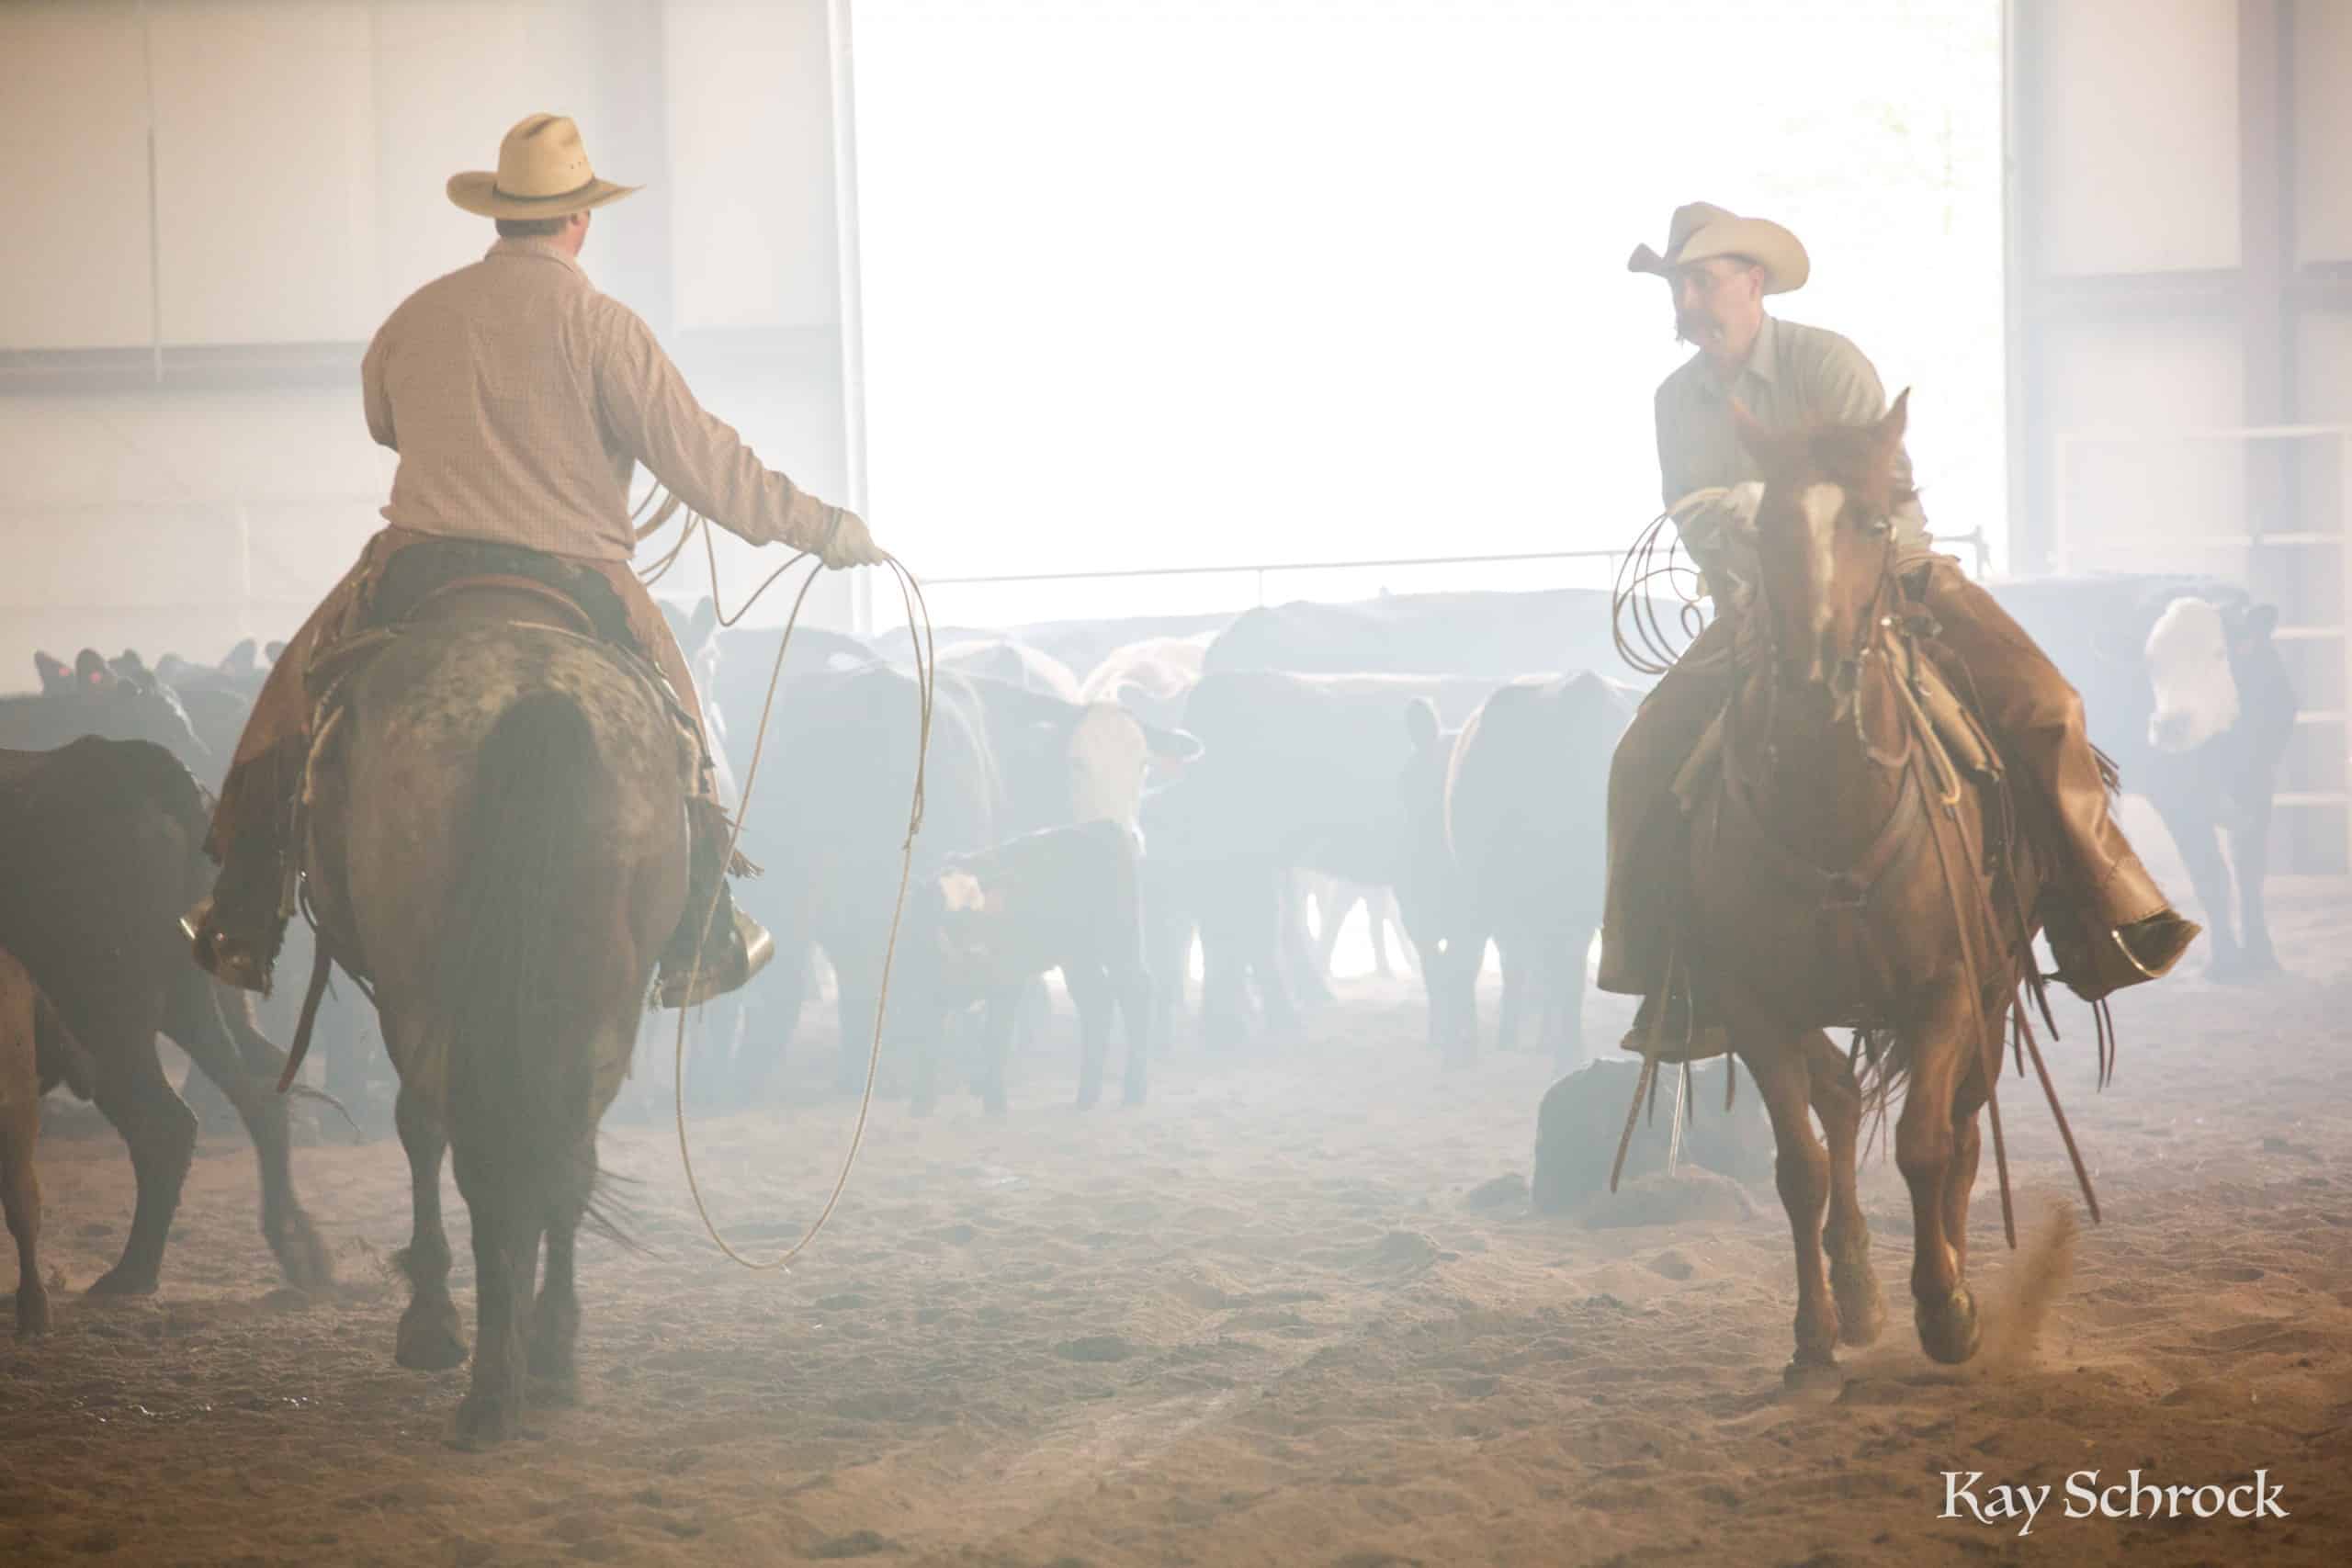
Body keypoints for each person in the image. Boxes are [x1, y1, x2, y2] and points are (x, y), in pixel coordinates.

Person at [185, 112, 885, 1008]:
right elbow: (705, 464)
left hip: (418, 562)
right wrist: (821, 529)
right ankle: (703, 927)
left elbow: (383, 422)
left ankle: (243, 912)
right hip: (577, 573)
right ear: (579, 219)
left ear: (499, 214)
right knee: (685, 734)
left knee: (290, 702)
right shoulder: (603, 326)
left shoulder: (419, 315)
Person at [1595, 202, 2199, 1049]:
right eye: (1677, 284)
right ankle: (1663, 971)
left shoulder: (1826, 363)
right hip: (1764, 605)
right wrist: (1738, 540)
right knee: (1641, 756)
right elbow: (1689, 512)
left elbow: (1876, 487)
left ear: (1751, 282)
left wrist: (1775, 505)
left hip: (1894, 576)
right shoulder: (1676, 401)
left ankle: (2105, 908)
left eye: (1701, 279)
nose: (1687, 298)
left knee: (2047, 704)